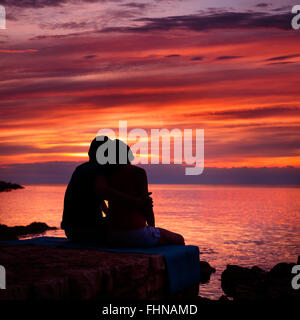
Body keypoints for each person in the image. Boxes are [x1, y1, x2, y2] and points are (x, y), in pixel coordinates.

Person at [61, 136, 153, 244]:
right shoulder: (98, 169)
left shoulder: (82, 168)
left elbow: (97, 196)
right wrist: (136, 201)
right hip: (88, 231)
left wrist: (108, 212)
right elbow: (104, 191)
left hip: (71, 231)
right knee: (125, 230)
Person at [100, 139, 185, 247]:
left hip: (112, 235)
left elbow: (101, 198)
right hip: (135, 234)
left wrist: (108, 213)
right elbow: (146, 206)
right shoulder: (138, 172)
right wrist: (152, 228)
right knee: (179, 239)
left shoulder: (105, 175)